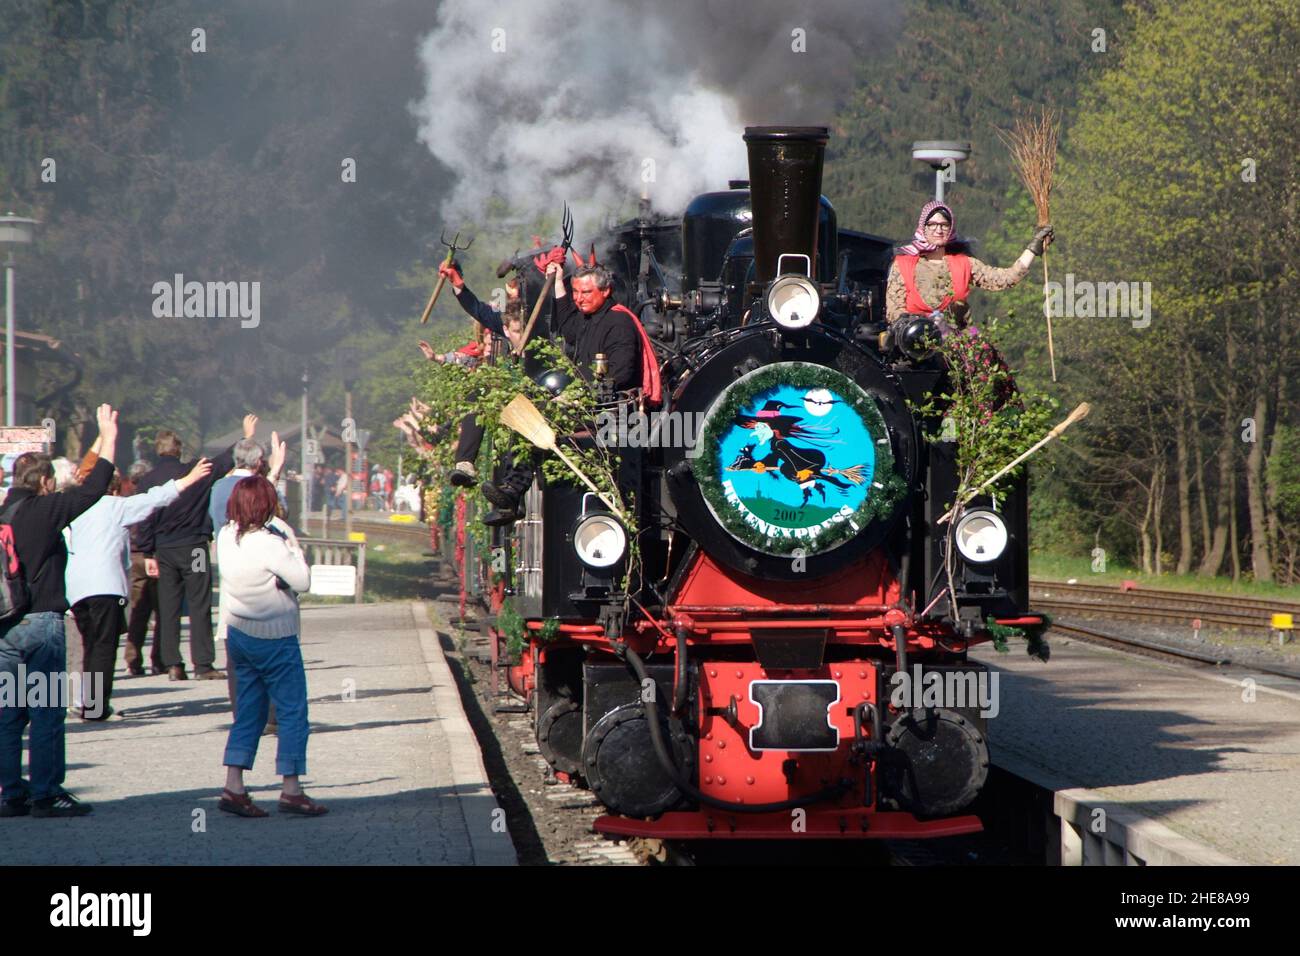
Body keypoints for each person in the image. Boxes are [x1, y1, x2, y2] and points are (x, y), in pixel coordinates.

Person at [0, 404, 118, 818]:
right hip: (42, 624)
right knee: (47, 711)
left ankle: (10, 793)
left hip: (5, 630)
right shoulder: (44, 509)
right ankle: (47, 793)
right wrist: (109, 437)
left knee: (9, 714)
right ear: (45, 481)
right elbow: (93, 489)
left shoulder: (2, 516)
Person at [64, 451, 213, 720]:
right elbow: (153, 499)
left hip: (75, 587)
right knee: (103, 649)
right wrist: (187, 480)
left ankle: (84, 700)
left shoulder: (72, 507)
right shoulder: (113, 506)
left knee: (88, 646)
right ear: (114, 486)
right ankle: (96, 707)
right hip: (104, 585)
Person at [215, 472, 324, 817]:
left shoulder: (225, 536)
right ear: (266, 506)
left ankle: (234, 784)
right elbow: (303, 581)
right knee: (292, 711)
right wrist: (292, 546)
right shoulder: (270, 543)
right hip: (275, 637)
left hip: (239, 636)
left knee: (248, 713)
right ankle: (291, 789)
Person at [135, 414, 258, 681]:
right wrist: (245, 436)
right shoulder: (197, 471)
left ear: (158, 450)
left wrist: (147, 552)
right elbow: (226, 459)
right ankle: (203, 664)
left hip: (164, 551)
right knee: (199, 602)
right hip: (195, 550)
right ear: (178, 449)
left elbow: (144, 518)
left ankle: (172, 664)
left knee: (168, 607)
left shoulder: (147, 481)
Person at [885, 200, 1055, 329]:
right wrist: (922, 325)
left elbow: (1004, 278)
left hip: (956, 345)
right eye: (933, 224)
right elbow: (894, 312)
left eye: (944, 225)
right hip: (913, 347)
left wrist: (1033, 248)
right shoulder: (903, 265)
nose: (939, 230)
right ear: (924, 227)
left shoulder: (964, 264)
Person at [124, 460, 164, 677]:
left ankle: (132, 659)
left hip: (133, 557)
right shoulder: (153, 501)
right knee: (161, 610)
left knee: (138, 611)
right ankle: (158, 658)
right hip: (152, 556)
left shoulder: (125, 502)